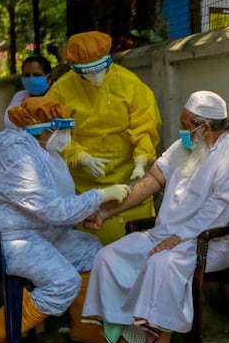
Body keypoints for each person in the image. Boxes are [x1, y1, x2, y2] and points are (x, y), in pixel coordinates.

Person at [82, 90, 229, 343]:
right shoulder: (183, 146)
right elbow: (151, 182)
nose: (182, 129)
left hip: (210, 241)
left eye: (186, 124)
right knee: (110, 256)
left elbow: (222, 207)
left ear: (205, 127)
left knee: (162, 262)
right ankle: (135, 340)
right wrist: (107, 212)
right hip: (167, 235)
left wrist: (180, 238)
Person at [0, 97, 132, 343]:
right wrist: (100, 195)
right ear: (42, 128)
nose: (66, 135)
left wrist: (83, 213)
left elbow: (52, 206)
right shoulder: (18, 156)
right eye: (62, 128)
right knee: (63, 282)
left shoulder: (45, 152)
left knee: (90, 250)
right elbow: (52, 208)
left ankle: (87, 329)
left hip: (30, 232)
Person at [47, 30, 162, 245]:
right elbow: (56, 134)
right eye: (87, 72)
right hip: (84, 183)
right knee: (89, 245)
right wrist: (82, 157)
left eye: (100, 68)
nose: (95, 76)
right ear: (74, 69)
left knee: (136, 246)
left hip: (128, 178)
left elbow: (145, 126)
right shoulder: (61, 90)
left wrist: (141, 161)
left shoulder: (130, 83)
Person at [3, 55, 54, 130]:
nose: (31, 79)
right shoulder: (19, 97)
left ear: (49, 78)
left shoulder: (58, 96)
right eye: (27, 75)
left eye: (36, 75)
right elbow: (9, 125)